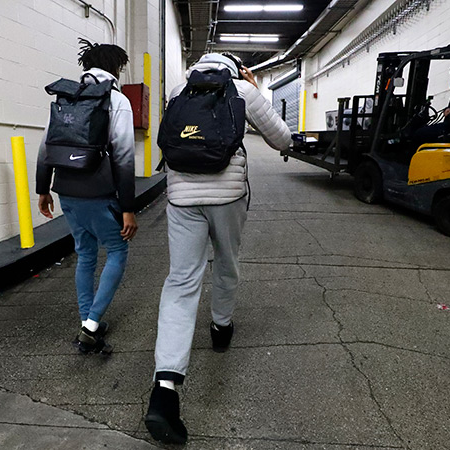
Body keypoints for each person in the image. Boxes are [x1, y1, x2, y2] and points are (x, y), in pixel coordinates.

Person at [144, 53, 291, 444]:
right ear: (235, 68)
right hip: (227, 196)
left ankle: (165, 387)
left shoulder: (179, 91)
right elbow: (283, 138)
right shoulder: (242, 90)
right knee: (226, 262)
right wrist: (256, 92)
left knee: (180, 282)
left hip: (181, 197)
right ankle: (220, 326)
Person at [35, 39, 138, 355]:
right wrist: (128, 209)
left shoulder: (67, 96)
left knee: (86, 254)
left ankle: (87, 320)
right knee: (118, 251)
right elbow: (123, 157)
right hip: (100, 193)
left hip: (66, 190)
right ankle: (91, 326)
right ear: (116, 68)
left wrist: (42, 189)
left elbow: (46, 147)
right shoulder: (116, 100)